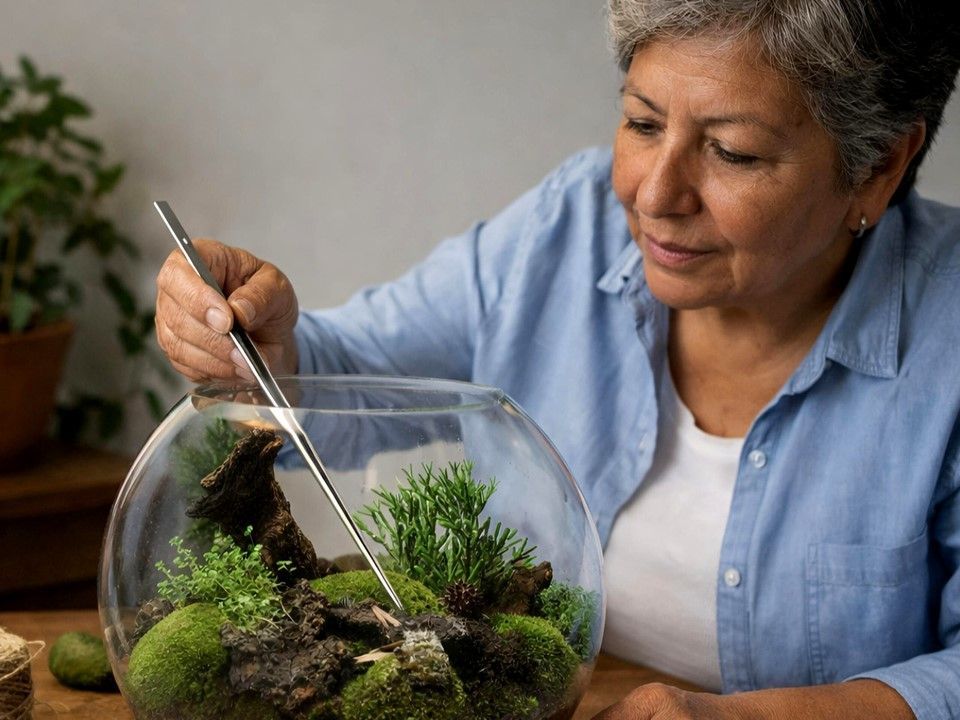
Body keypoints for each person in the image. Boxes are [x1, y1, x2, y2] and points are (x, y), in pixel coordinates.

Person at [155, 1, 960, 718]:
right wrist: (263, 342)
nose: (653, 194)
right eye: (643, 124)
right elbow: (349, 372)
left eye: (734, 153)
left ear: (880, 164)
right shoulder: (563, 229)